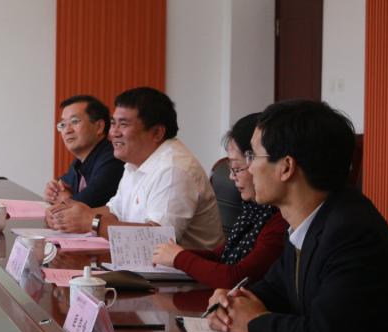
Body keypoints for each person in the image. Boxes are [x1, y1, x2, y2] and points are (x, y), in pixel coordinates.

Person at [208, 100, 388, 332]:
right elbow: (275, 289)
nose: (249, 168)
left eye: (253, 156)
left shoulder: (352, 232)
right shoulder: (305, 220)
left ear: (286, 167)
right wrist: (230, 303)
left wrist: (253, 323)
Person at [45, 87, 223, 250]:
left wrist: (91, 221)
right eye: (113, 123)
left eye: (123, 124)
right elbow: (115, 212)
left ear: (157, 133)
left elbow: (159, 241)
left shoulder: (174, 169)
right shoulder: (133, 162)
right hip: (144, 266)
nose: (113, 133)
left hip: (182, 273)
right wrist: (65, 216)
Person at [151, 113, 286, 287]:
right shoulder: (254, 210)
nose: (231, 176)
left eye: (237, 168)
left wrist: (179, 257)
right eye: (231, 168)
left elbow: (236, 278)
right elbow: (222, 256)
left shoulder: (280, 221)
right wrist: (173, 254)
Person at [44, 95, 123, 208]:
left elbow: (82, 205)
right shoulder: (79, 161)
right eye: (63, 125)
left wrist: (65, 199)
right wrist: (52, 191)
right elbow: (62, 186)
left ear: (99, 127)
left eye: (74, 121)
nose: (67, 130)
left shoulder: (113, 159)